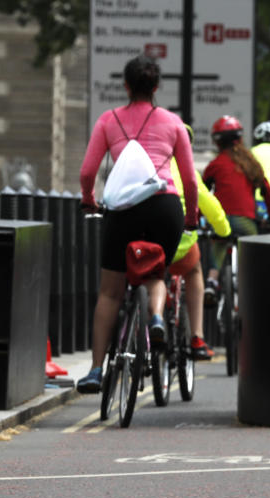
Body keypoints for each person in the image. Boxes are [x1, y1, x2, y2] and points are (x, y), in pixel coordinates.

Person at [76, 54, 197, 393]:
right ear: (156, 87)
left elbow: (87, 172)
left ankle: (96, 370)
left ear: (126, 86)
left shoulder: (108, 120)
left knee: (110, 292)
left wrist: (88, 199)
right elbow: (188, 180)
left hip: (124, 208)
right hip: (164, 205)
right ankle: (156, 317)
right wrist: (191, 218)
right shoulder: (173, 123)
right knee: (156, 273)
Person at [202, 115, 270, 303]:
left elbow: (202, 193)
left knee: (220, 243)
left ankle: (212, 281)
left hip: (221, 220)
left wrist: (197, 218)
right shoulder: (250, 164)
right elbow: (269, 194)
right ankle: (252, 287)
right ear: (239, 138)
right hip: (245, 221)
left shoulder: (216, 164)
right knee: (251, 256)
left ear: (217, 141)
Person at [169, 124, 231, 360]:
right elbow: (211, 207)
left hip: (147, 237)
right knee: (194, 271)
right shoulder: (189, 173)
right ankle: (196, 336)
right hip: (181, 241)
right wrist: (223, 231)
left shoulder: (149, 167)